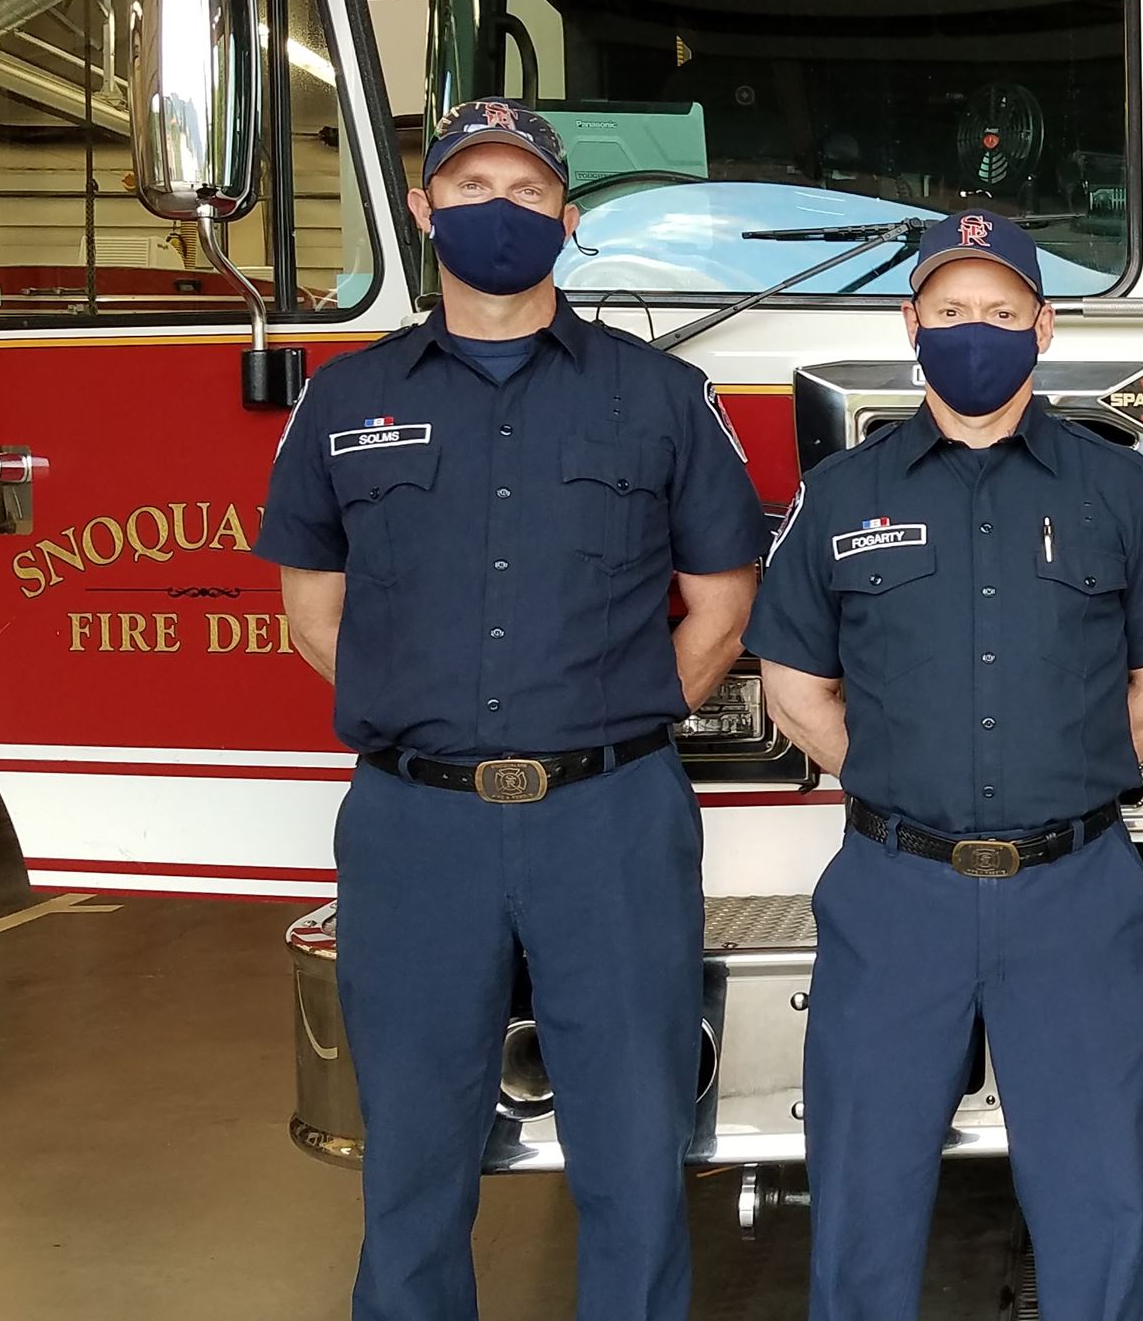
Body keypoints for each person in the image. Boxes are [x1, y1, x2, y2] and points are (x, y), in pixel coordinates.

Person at [256, 99, 769, 1321]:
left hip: (611, 821)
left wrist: (606, 729)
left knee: (636, 1152)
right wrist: (430, 723)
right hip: (414, 829)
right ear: (425, 211)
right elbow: (310, 612)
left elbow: (721, 607)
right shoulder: (343, 400)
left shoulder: (659, 397)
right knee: (417, 1160)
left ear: (567, 219)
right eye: (471, 186)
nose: (499, 208)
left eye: (528, 191)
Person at [748, 211, 1143, 1321]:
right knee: (862, 1198)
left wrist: (1070, 770)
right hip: (891, 892)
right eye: (951, 312)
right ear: (910, 324)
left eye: (1001, 313)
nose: (975, 332)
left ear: (1043, 328)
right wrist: (908, 776)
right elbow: (792, 686)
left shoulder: (1116, 489)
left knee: (1100, 1203)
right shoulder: (840, 495)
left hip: (1075, 892)